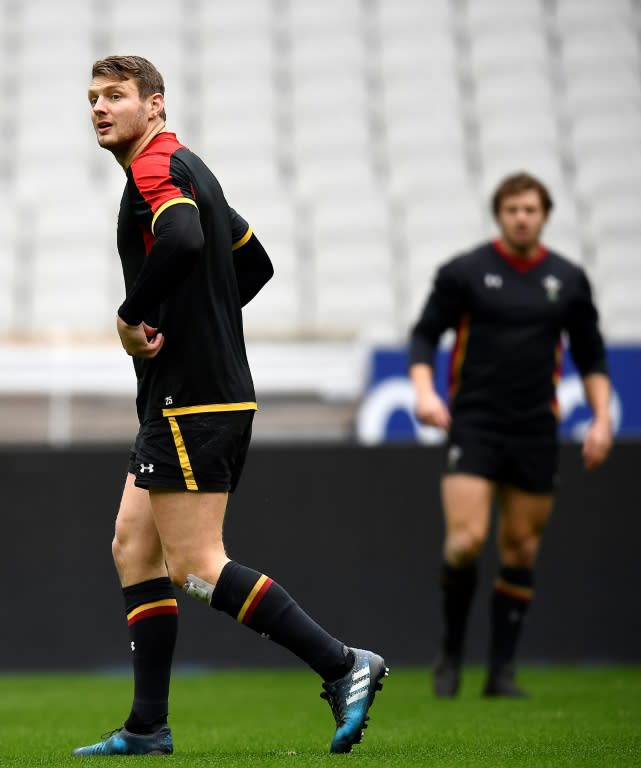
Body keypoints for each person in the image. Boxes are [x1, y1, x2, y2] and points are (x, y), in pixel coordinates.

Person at [73, 55, 387, 757]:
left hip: (193, 399)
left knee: (195, 565)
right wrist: (193, 323)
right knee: (133, 546)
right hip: (190, 393)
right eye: (92, 97)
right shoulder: (191, 170)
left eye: (115, 95)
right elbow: (255, 264)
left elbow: (183, 240)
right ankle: (147, 726)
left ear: (154, 105)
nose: (99, 107)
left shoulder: (157, 170)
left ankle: (343, 664)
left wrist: (134, 316)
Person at [408, 172, 612, 698]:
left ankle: (500, 672)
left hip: (535, 429)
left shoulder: (568, 279)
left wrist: (601, 418)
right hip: (473, 423)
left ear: (545, 215)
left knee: (520, 548)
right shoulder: (466, 271)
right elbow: (425, 334)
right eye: (513, 209)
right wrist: (426, 393)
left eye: (531, 209)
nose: (522, 217)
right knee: (466, 541)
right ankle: (450, 656)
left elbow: (590, 355)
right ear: (499, 214)